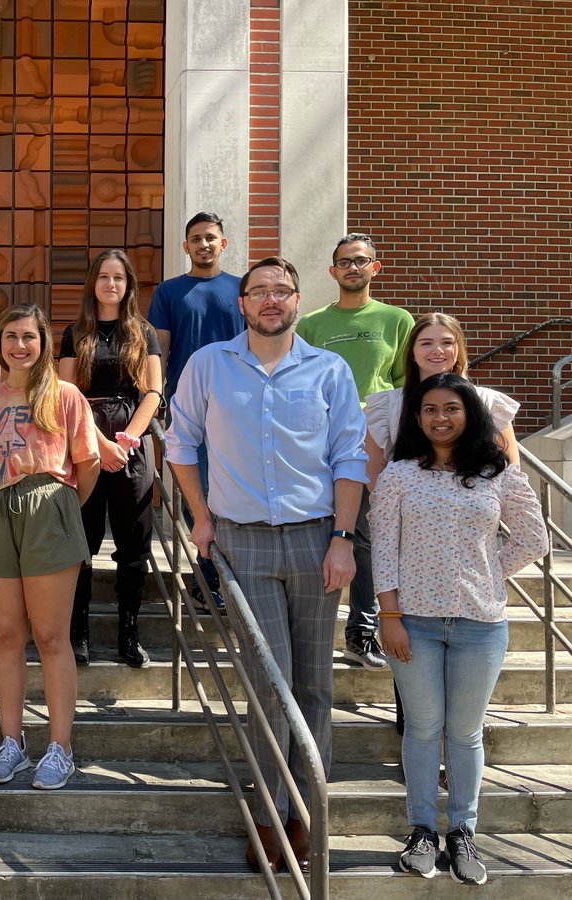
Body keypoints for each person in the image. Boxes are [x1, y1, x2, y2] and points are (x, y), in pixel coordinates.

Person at [165, 257, 367, 872]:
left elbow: (350, 457)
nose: (271, 301)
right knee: (269, 686)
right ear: (243, 304)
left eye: (283, 291)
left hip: (315, 540)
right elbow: (180, 441)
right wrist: (200, 516)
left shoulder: (327, 370)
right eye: (260, 292)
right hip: (242, 543)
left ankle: (311, 813)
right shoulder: (208, 365)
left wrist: (343, 538)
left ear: (299, 301)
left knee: (314, 684)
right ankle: (270, 814)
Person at [371, 373, 546, 884]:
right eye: (429, 409)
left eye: (451, 408)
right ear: (417, 418)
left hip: (480, 625)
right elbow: (384, 549)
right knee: (423, 729)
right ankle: (422, 830)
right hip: (415, 625)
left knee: (466, 732)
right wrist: (390, 616)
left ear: (470, 413)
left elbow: (534, 538)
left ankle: (463, 833)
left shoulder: (499, 473)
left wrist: (488, 568)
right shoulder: (399, 475)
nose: (440, 418)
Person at [0, 304, 100, 791]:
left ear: (43, 342)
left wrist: (61, 506)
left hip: (50, 504)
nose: (19, 346)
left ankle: (60, 746)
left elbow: (86, 465)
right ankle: (12, 742)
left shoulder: (65, 396)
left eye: (28, 336)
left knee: (50, 637)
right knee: (5, 634)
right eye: (9, 337)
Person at [297, 233, 415, 671]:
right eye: (344, 262)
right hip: (320, 444)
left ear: (375, 267)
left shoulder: (397, 320)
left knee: (366, 539)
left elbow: (407, 386)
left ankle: (361, 633)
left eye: (360, 261)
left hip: (376, 445)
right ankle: (308, 634)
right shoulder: (311, 325)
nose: (352, 268)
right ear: (332, 272)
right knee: (318, 535)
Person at [57, 250, 162, 667]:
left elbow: (153, 391)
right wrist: (99, 444)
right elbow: (65, 394)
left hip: (131, 445)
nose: (111, 284)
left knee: (133, 544)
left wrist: (127, 440)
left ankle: (128, 633)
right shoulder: (73, 332)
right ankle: (77, 633)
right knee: (81, 540)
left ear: (129, 285)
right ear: (92, 283)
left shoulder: (144, 332)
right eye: (103, 277)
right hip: (84, 441)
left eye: (119, 277)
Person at [146, 212, 244, 613]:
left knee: (233, 492)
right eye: (196, 239)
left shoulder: (242, 289)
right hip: (188, 408)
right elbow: (161, 351)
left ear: (223, 244)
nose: (203, 244)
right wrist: (158, 399)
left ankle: (233, 576)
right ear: (185, 246)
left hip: (238, 407)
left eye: (211, 238)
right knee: (195, 494)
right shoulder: (169, 293)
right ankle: (207, 578)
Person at [365, 312, 520, 484]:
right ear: (412, 353)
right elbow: (373, 472)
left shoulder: (489, 402)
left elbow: (511, 471)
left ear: (458, 350)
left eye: (447, 343)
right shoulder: (386, 406)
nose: (437, 350)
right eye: (426, 343)